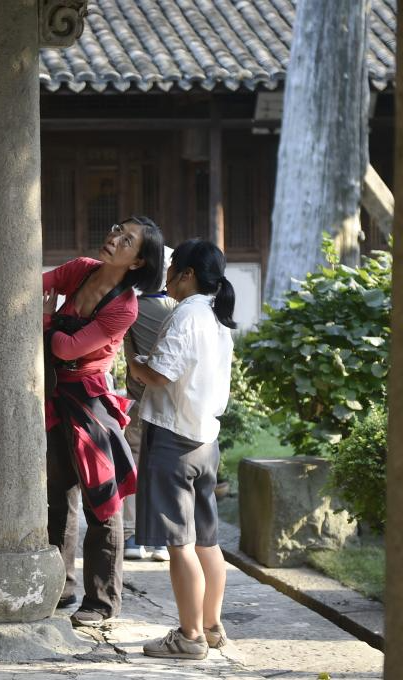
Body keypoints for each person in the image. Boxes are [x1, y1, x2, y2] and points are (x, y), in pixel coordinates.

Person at [43, 216, 165, 628]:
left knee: (102, 501)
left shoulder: (124, 306)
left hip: (90, 403)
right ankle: (58, 587)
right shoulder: (81, 269)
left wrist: (45, 320)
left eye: (127, 240)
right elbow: (32, 287)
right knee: (58, 495)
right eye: (116, 229)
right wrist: (46, 318)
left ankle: (102, 602)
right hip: (56, 395)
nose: (114, 238)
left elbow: (67, 348)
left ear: (137, 262)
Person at [127, 239, 236, 660]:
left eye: (172, 268)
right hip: (205, 438)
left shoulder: (186, 314)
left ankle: (189, 636)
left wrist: (134, 363)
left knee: (180, 543)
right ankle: (211, 626)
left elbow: (161, 375)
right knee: (207, 541)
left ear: (187, 274)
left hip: (173, 438)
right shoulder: (215, 314)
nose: (167, 275)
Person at [121, 249, 177, 563]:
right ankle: (161, 540)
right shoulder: (180, 310)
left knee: (133, 463)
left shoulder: (131, 306)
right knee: (164, 468)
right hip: (172, 406)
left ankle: (132, 535)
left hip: (139, 401)